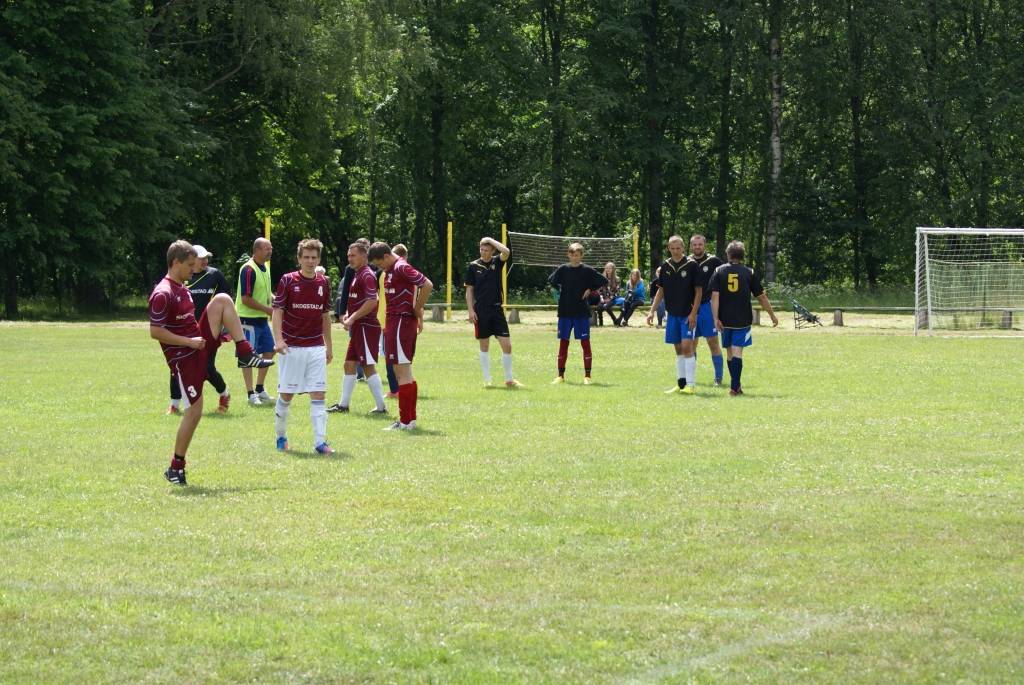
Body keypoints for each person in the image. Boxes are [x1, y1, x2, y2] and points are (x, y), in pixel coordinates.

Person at [149, 240, 274, 485]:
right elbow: (155, 331)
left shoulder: (182, 287)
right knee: (194, 412)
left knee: (223, 299)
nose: (194, 269)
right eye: (190, 265)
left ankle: (245, 351)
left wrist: (219, 331)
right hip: (184, 358)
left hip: (197, 346)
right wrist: (189, 341)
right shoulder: (163, 293)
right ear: (175, 263)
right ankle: (175, 468)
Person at [271, 238, 335, 454]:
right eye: (306, 257)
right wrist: (278, 340)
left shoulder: (324, 282)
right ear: (299, 259)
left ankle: (320, 442)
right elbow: (277, 311)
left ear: (319, 259)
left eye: (314, 257)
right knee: (286, 395)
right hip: (292, 348)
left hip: (315, 347)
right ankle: (281, 436)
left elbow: (325, 316)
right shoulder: (288, 280)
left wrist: (328, 345)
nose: (310, 261)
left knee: (318, 394)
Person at [368, 241, 433, 430]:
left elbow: (426, 284)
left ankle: (405, 421)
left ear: (386, 256)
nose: (380, 268)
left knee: (402, 371)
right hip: (394, 323)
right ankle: (409, 420)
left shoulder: (401, 267)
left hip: (401, 324)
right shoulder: (391, 270)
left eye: (380, 264)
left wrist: (417, 308)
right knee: (402, 371)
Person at [166, 244, 233, 415]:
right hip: (184, 330)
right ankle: (174, 404)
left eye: (206, 258)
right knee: (177, 367)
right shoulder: (181, 277)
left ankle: (224, 394)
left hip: (208, 329)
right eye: (201, 258)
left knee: (207, 367)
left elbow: (227, 301)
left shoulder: (214, 275)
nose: (205, 261)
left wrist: (225, 327)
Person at [710, 240, 779, 396]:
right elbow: (761, 296)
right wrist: (772, 315)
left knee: (729, 351)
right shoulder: (749, 272)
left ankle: (736, 386)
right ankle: (735, 387)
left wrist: (715, 318)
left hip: (724, 318)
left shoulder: (719, 271)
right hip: (742, 318)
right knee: (737, 351)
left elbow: (714, 296)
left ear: (728, 254)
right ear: (742, 255)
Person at [328, 241, 388, 414]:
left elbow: (372, 301)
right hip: (358, 327)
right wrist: (348, 315)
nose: (350, 258)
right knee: (349, 365)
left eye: (353, 255)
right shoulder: (357, 274)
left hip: (366, 327)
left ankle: (381, 407)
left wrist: (352, 318)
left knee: (368, 366)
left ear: (364, 256)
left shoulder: (366, 275)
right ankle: (343, 405)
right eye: (348, 255)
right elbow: (358, 300)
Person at [646, 235, 702, 394]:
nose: (676, 251)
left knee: (687, 347)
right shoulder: (666, 266)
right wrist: (652, 311)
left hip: (687, 314)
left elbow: (699, 291)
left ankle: (691, 385)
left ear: (683, 248)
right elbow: (661, 291)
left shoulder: (692, 265)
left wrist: (693, 314)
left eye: (678, 248)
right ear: (668, 249)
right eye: (672, 248)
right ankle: (681, 383)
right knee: (678, 349)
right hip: (672, 315)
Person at [465, 236, 522, 388]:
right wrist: (470, 311)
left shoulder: (497, 262)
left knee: (507, 345)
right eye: (481, 249)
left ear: (492, 251)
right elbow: (469, 290)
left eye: (486, 250)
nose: (483, 252)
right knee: (484, 346)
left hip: (497, 310)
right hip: (481, 311)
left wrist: (490, 240)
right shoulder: (473, 266)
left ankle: (509, 380)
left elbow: (506, 251)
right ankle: (487, 379)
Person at [548, 243, 608, 385]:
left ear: (581, 255)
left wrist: (590, 289)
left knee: (585, 343)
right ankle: (560, 376)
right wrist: (559, 289)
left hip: (581, 312)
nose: (575, 257)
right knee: (564, 343)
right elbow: (551, 280)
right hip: (565, 312)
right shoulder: (563, 269)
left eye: (577, 255)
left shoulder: (587, 270)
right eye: (572, 254)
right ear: (568, 255)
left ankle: (587, 376)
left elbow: (603, 280)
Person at [236, 237, 276, 406]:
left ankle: (260, 388)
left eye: (271, 248)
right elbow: (246, 299)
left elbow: (264, 291)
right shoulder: (248, 269)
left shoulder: (265, 267)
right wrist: (268, 310)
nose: (270, 251)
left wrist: (274, 299)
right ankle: (250, 393)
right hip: (248, 319)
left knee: (270, 350)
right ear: (257, 250)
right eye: (267, 248)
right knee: (247, 356)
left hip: (261, 320)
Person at [689, 234, 725, 386]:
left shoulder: (714, 261)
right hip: (690, 308)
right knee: (691, 344)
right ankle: (690, 378)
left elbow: (724, 279)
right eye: (695, 244)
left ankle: (718, 378)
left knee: (713, 342)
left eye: (700, 244)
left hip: (707, 307)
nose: (697, 247)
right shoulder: (686, 262)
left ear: (705, 245)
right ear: (691, 246)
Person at [595, 261, 624, 326]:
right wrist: (602, 298)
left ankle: (614, 320)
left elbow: (617, 292)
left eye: (610, 268)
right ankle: (601, 323)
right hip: (603, 298)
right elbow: (599, 290)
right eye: (607, 268)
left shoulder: (617, 279)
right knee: (599, 307)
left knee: (606, 307)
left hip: (613, 298)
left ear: (613, 269)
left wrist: (609, 299)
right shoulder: (602, 278)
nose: (608, 269)